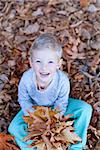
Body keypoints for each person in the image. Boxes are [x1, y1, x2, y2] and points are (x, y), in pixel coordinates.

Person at [8, 33, 92, 150]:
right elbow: (24, 99)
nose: (44, 67)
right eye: (38, 62)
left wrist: (55, 118)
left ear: (58, 64)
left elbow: (62, 101)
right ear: (31, 62)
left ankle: (76, 146)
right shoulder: (27, 79)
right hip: (35, 109)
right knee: (14, 127)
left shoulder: (62, 80)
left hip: (56, 108)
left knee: (85, 109)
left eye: (50, 62)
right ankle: (34, 147)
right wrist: (33, 117)